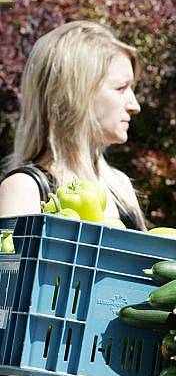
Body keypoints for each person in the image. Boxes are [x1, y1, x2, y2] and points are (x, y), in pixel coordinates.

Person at [0, 20, 146, 230]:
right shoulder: (25, 189)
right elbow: (11, 263)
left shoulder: (120, 187)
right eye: (121, 88)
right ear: (77, 94)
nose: (134, 106)